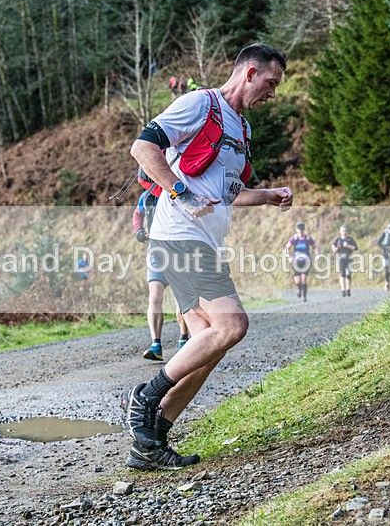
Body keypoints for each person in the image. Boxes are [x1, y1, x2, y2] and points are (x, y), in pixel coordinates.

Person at [124, 43, 292, 470]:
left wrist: (268, 196)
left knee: (207, 345)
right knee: (233, 324)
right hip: (180, 237)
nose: (273, 93)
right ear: (250, 73)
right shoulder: (202, 103)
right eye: (271, 82)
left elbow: (227, 193)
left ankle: (151, 439)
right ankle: (144, 400)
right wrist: (179, 191)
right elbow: (143, 148)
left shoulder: (242, 130)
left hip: (205, 242)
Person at [134, 188, 190, 361]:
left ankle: (184, 339)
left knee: (180, 299)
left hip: (178, 251)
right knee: (154, 297)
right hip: (156, 251)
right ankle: (155, 344)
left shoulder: (180, 188)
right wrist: (138, 230)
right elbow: (138, 213)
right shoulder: (147, 194)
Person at [285, 221, 316, 302]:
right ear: (296, 230)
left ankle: (304, 297)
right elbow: (287, 247)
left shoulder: (308, 238)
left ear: (304, 230)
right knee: (297, 281)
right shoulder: (294, 239)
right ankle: (299, 289)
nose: (300, 231)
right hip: (296, 262)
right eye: (299, 230)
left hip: (306, 261)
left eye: (302, 230)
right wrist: (289, 257)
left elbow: (314, 247)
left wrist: (317, 254)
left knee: (304, 279)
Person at [331, 225, 358, 297]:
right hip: (341, 259)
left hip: (349, 258)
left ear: (347, 232)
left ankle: (348, 289)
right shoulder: (338, 239)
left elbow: (355, 248)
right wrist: (334, 249)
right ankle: (343, 290)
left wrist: (348, 246)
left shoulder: (350, 239)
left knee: (349, 274)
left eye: (345, 231)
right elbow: (333, 246)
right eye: (343, 231)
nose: (344, 232)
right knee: (342, 274)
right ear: (340, 232)